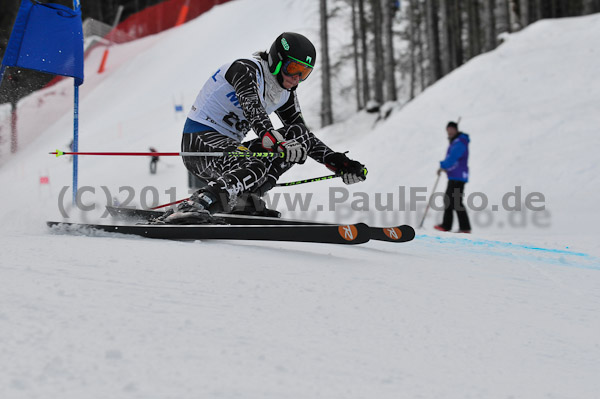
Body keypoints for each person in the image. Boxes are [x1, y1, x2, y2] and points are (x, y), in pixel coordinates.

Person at [158, 32, 367, 224]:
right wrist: (274, 139)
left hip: (229, 149)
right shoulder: (246, 69)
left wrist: (338, 162)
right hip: (199, 142)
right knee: (255, 164)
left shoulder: (286, 92)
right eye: (293, 69)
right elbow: (253, 108)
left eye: (304, 73)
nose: (297, 78)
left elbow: (304, 136)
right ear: (277, 61)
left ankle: (245, 200)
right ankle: (195, 204)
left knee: (298, 136)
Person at [434, 121, 471, 233]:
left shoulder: (459, 142)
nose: (449, 132)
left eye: (451, 130)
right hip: (455, 175)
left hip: (458, 176)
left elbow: (453, 158)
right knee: (449, 200)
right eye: (447, 130)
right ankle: (447, 225)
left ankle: (464, 227)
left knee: (456, 201)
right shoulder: (456, 141)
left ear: (456, 130)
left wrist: (443, 165)